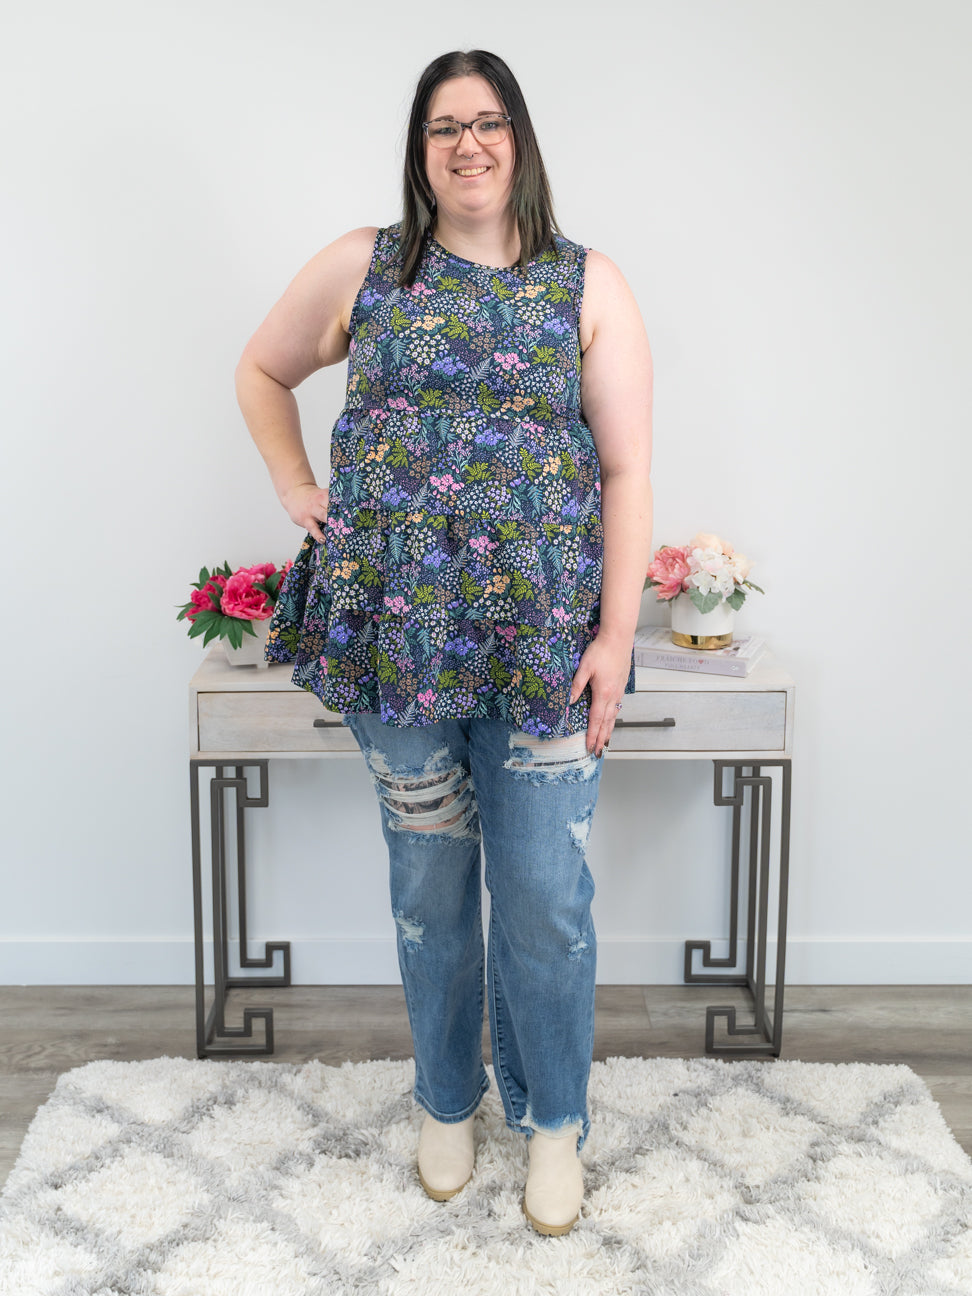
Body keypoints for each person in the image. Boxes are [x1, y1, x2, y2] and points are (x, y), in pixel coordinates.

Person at [235, 49, 653, 1237]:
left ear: (520, 138)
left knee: (544, 899)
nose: (468, 144)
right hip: (397, 647)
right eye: (443, 126)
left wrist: (618, 633)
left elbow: (626, 470)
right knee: (428, 889)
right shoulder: (365, 265)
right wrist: (296, 483)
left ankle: (554, 1121)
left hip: (543, 649)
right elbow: (262, 370)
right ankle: (444, 1102)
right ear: (420, 151)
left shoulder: (588, 284)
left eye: (489, 121)